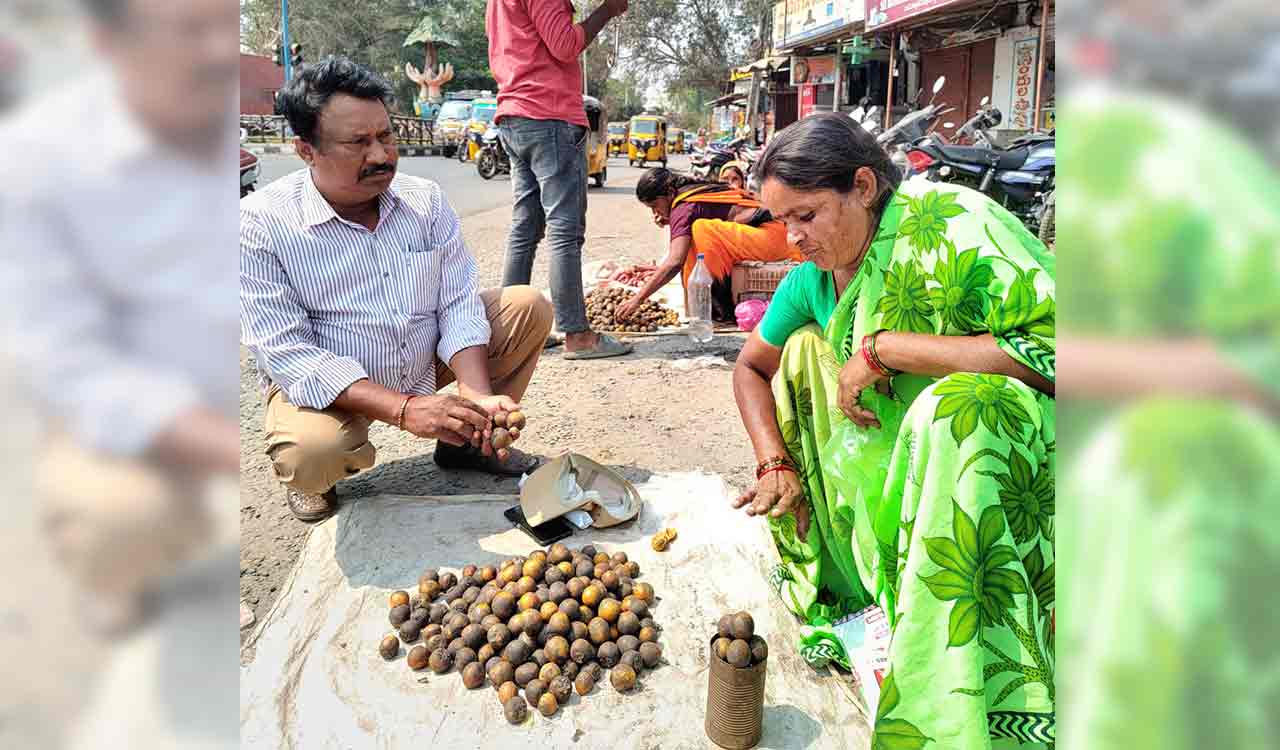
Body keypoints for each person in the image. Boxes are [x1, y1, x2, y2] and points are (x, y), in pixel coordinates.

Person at [732, 114, 1055, 747]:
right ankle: (877, 593)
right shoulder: (814, 279)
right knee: (800, 355)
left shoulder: (954, 224)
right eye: (782, 221)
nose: (793, 238)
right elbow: (749, 368)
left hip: (997, 457)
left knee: (959, 409)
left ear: (863, 186)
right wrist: (775, 461)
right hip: (895, 465)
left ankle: (974, 675)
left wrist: (888, 349)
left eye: (807, 215)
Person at [241, 57, 553, 523]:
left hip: (419, 356)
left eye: (386, 137)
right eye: (358, 143)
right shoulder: (258, 224)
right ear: (306, 150)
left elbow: (457, 301)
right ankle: (313, 482)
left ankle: (471, 444)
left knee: (526, 306)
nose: (382, 156)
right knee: (311, 452)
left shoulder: (423, 200)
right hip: (336, 383)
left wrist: (475, 394)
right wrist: (405, 411)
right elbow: (288, 353)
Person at [486, 0, 632, 360]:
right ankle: (577, 334)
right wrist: (606, 12)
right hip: (548, 114)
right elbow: (565, 45)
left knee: (526, 227)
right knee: (564, 231)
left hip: (515, 115)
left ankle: (513, 330)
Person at [618, 168, 803, 322]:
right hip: (778, 231)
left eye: (655, 205)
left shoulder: (683, 208)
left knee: (701, 230)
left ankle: (716, 308)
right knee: (695, 230)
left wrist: (637, 299)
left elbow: (675, 262)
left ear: (668, 193)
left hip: (775, 239)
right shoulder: (691, 193)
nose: (655, 212)